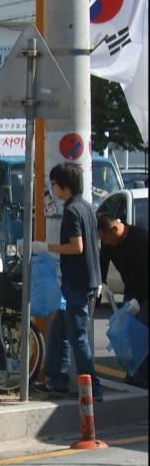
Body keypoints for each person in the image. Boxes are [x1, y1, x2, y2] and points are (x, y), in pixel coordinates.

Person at [32, 162, 103, 400]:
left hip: (78, 283)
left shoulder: (72, 211)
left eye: (53, 184)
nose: (52, 188)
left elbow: (77, 246)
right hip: (86, 280)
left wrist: (46, 247)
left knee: (77, 336)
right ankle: (58, 380)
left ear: (64, 186)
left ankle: (93, 388)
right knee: (60, 329)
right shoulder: (86, 207)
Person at [98, 211, 149, 388]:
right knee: (128, 334)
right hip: (131, 289)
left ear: (114, 229)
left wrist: (138, 299)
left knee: (142, 331)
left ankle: (141, 380)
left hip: (145, 291)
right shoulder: (108, 242)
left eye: (105, 238)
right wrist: (102, 282)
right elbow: (103, 260)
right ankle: (133, 373)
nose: (104, 243)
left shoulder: (140, 239)